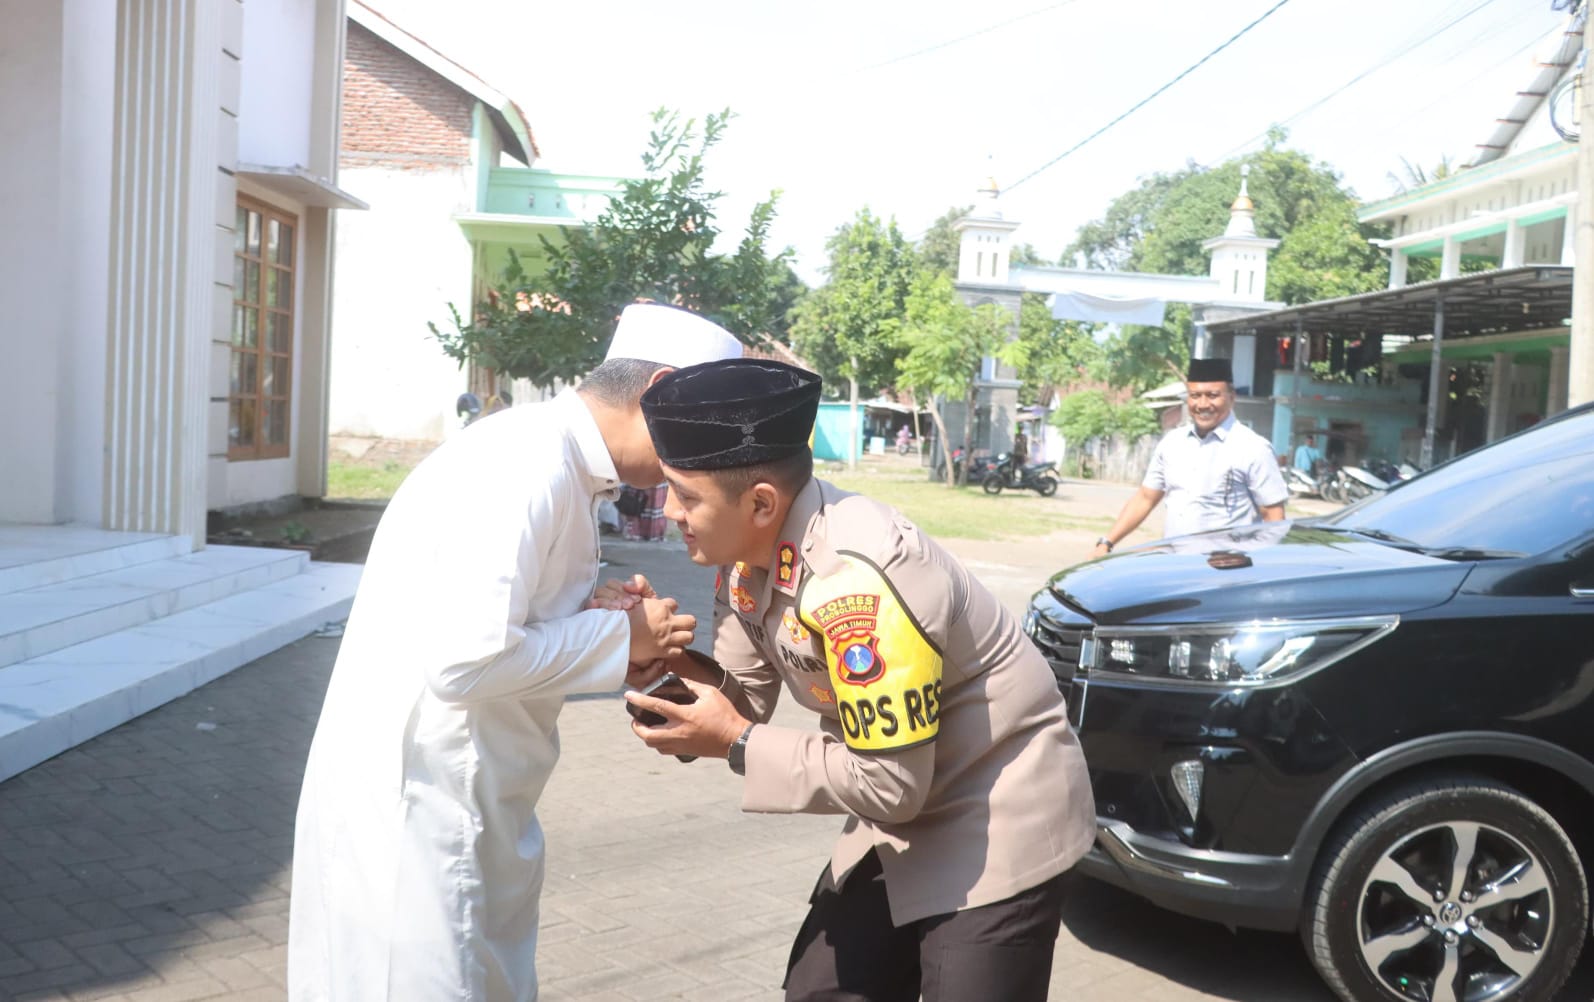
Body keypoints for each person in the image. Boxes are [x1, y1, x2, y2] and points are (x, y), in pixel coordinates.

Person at [287, 304, 744, 1002]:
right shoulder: (528, 464)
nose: (699, 463)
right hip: (422, 809)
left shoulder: (557, 462)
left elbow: (505, 623)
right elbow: (464, 660)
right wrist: (623, 636)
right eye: (701, 430)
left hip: (475, 798)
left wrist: (602, 622)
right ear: (658, 392)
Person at [614, 358, 1094, 1002]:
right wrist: (663, 663)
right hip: (894, 800)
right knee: (820, 991)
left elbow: (888, 783)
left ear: (761, 503)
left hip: (995, 810)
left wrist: (734, 741)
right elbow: (743, 697)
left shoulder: (860, 579)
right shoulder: (745, 556)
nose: (669, 510)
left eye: (687, 495)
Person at [1092, 357, 1287, 558]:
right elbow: (1145, 498)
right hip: (1176, 565)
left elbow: (1274, 520)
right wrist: (1106, 543)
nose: (1202, 404)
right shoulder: (1172, 443)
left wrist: (1247, 558)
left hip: (1227, 570)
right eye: (1195, 395)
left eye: (1212, 395)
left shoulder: (1253, 448)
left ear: (1231, 397)